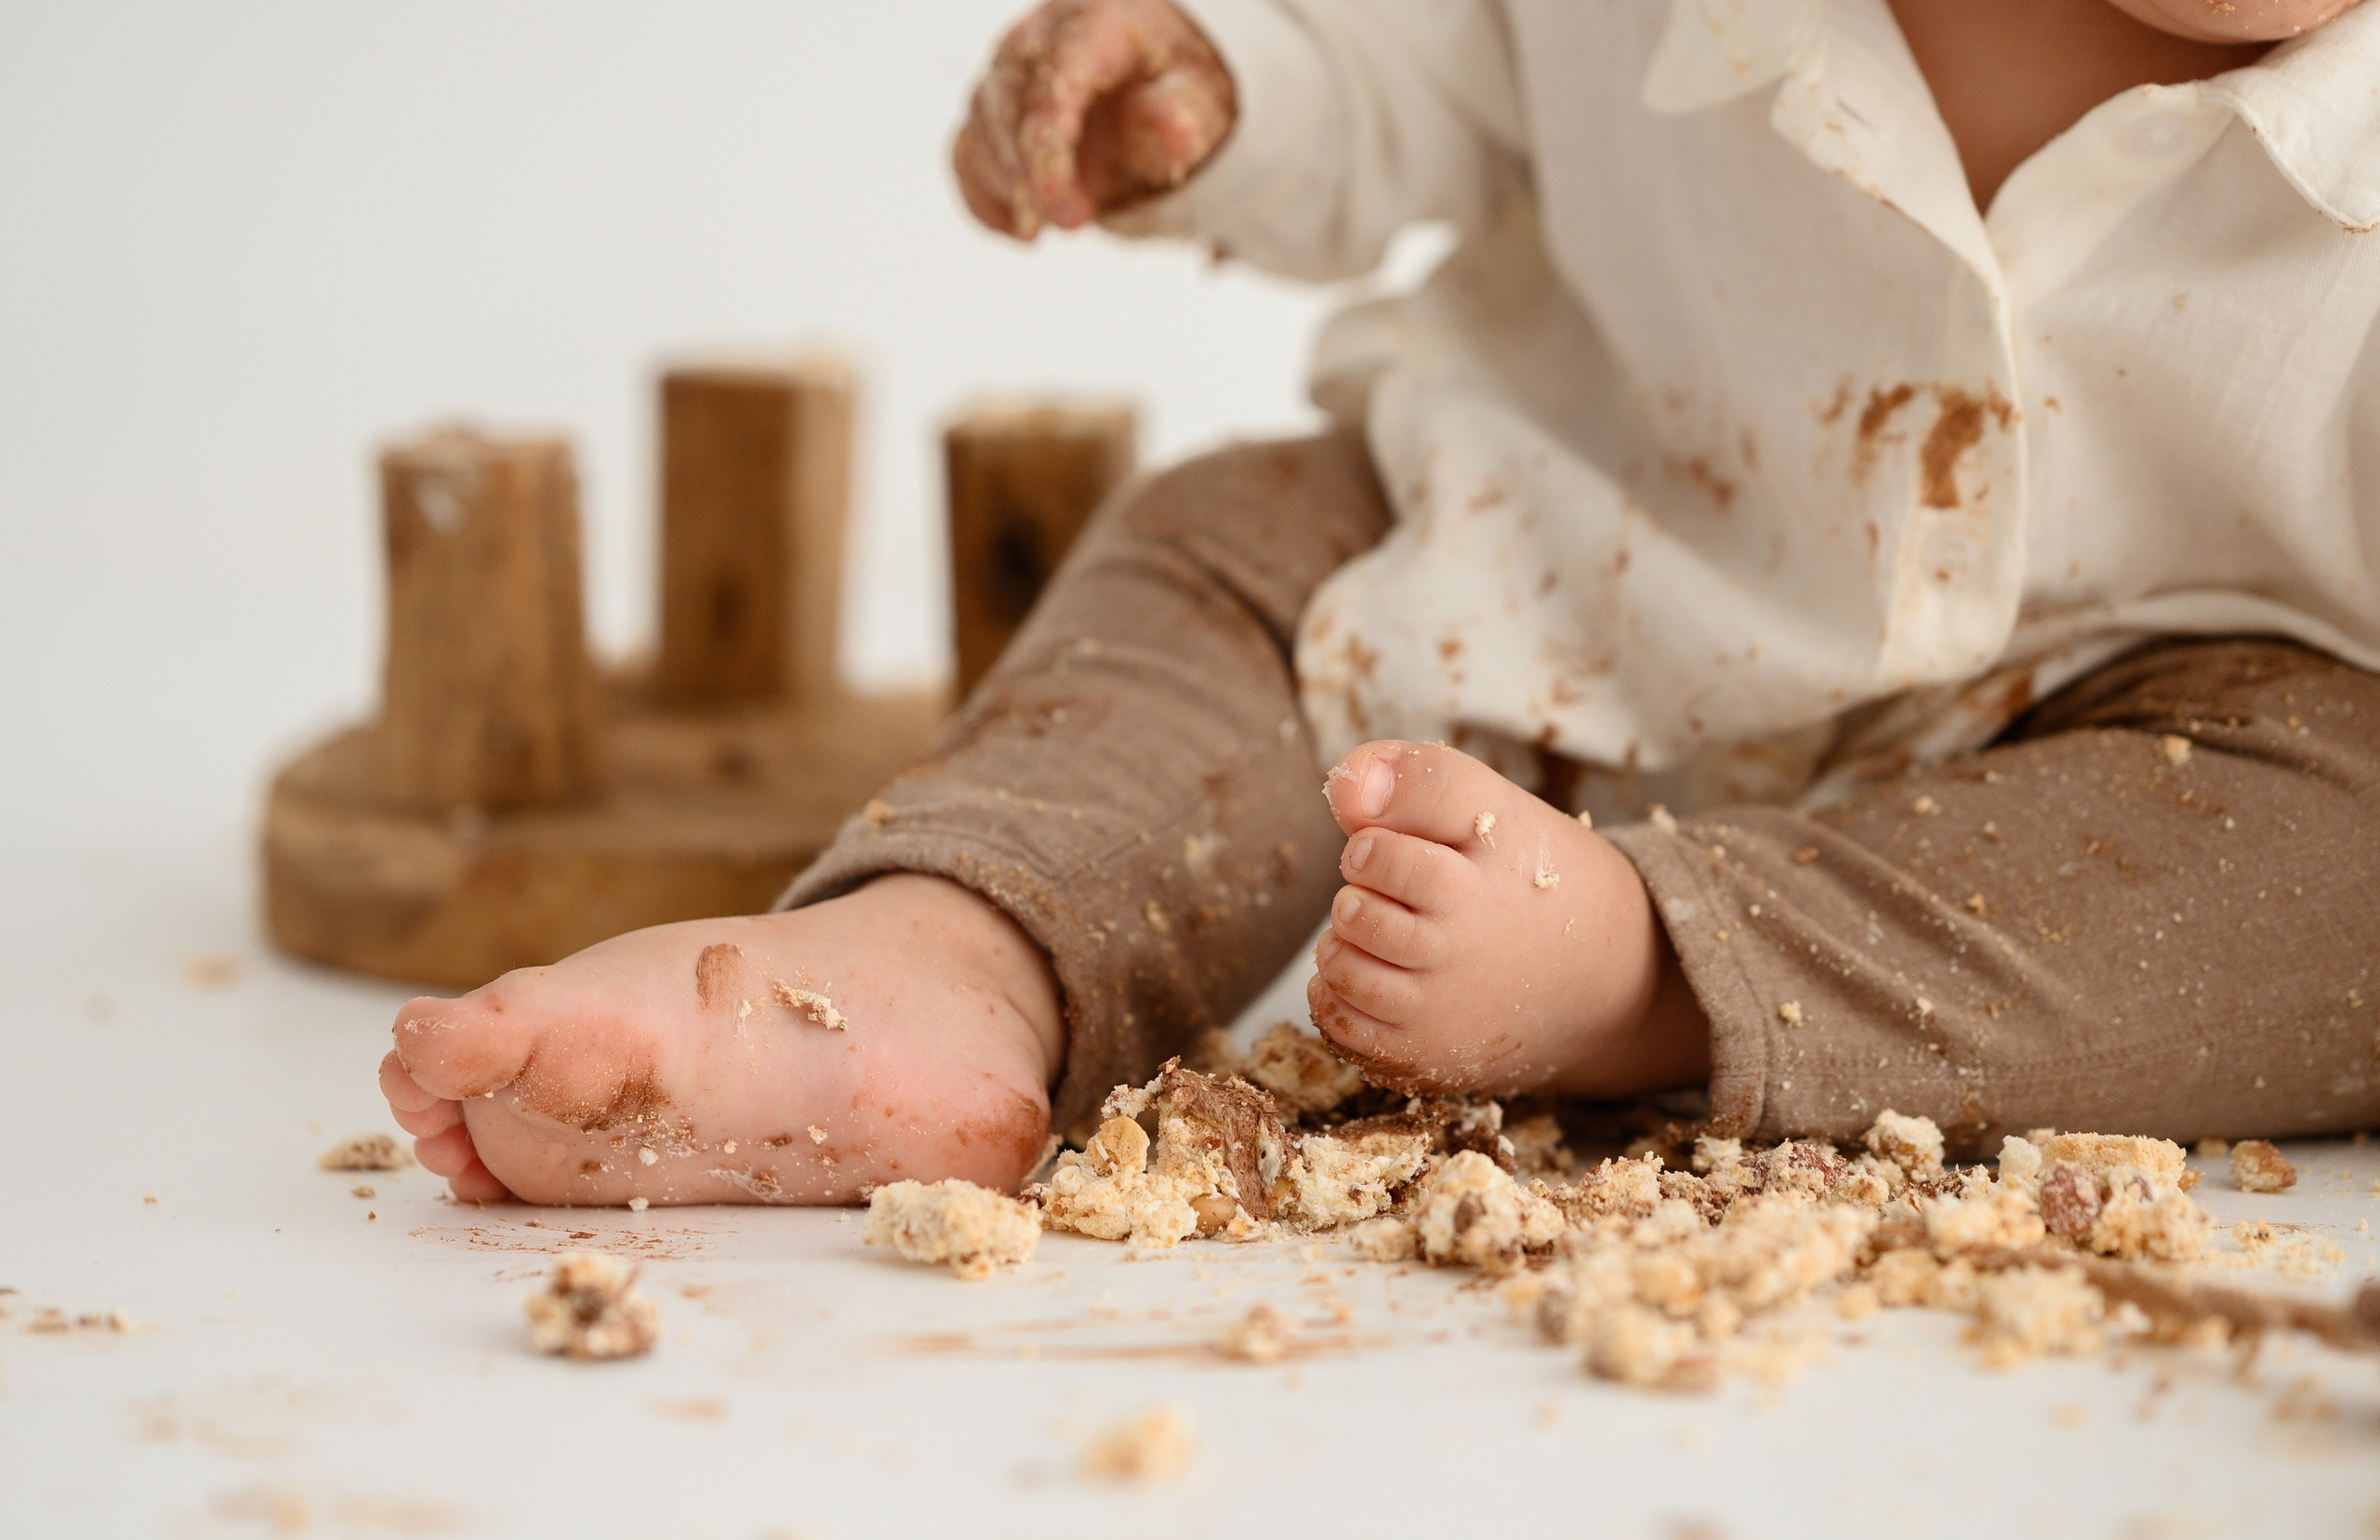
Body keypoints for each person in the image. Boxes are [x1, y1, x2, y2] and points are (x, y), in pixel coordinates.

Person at [380, 0, 2380, 1206]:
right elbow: (1416, 52)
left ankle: (1654, 971)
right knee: (1238, 554)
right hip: (1565, 575)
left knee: (2344, 877)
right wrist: (1225, 81)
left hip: (2159, 735)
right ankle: (950, 957)